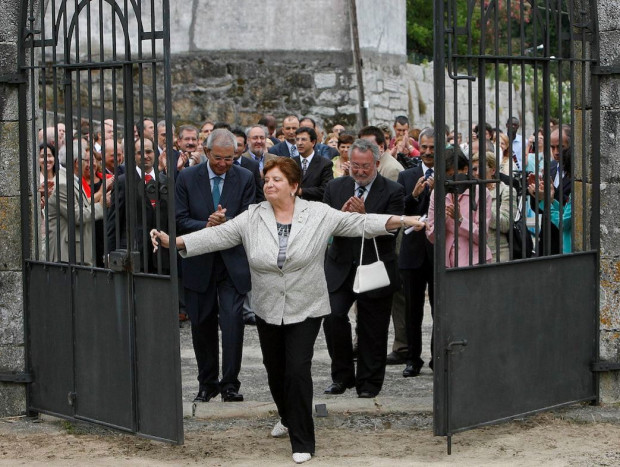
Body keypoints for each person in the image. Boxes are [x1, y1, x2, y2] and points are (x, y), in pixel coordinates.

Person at [151, 156, 425, 464]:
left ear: (294, 186)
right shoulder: (253, 216)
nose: (269, 184)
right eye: (266, 179)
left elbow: (360, 223)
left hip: (306, 305)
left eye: (277, 179)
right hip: (268, 307)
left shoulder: (318, 213)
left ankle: (303, 439)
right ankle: (285, 414)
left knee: (297, 370)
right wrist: (174, 241)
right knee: (275, 370)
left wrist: (404, 221)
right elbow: (217, 236)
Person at [176, 129, 256, 404]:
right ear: (207, 152)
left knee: (234, 324)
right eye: (218, 158)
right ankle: (207, 384)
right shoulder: (187, 177)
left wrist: (227, 222)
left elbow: (250, 217)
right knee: (201, 325)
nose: (223, 164)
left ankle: (230, 384)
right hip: (199, 262)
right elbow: (179, 219)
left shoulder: (245, 177)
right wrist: (206, 225)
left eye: (230, 159)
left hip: (232, 263)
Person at [322, 139, 405, 398]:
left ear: (377, 164)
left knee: (372, 328)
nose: (359, 171)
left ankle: (368, 383)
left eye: (365, 167)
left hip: (375, 266)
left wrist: (365, 216)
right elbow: (324, 225)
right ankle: (342, 375)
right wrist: (342, 215)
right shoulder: (335, 187)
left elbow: (392, 232)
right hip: (340, 266)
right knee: (333, 317)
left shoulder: (393, 190)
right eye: (354, 166)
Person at [397, 127, 436, 374]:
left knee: (439, 307)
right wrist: (414, 195)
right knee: (412, 309)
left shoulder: (447, 174)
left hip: (437, 251)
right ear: (418, 148)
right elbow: (400, 208)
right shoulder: (407, 176)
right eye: (425, 147)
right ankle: (413, 358)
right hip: (412, 250)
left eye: (433, 148)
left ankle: (437, 357)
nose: (428, 152)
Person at [106, 137, 167, 273]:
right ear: (133, 156)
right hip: (132, 255)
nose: (145, 156)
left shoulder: (166, 181)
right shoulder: (123, 182)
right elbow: (114, 221)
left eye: (149, 151)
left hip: (161, 257)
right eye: (140, 153)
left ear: (155, 154)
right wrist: (109, 253)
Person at [426, 147, 493, 268]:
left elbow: (482, 236)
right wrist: (443, 218)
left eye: (452, 176)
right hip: (446, 263)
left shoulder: (481, 193)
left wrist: (460, 219)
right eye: (446, 176)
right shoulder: (437, 193)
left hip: (474, 261)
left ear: (465, 169)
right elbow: (431, 236)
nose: (449, 181)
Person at [47, 139, 105, 265]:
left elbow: (81, 205)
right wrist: (101, 206)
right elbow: (76, 215)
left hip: (74, 253)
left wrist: (100, 197)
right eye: (85, 160)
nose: (87, 164)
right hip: (67, 255)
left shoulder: (70, 180)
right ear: (77, 163)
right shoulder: (63, 184)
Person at [471, 152, 517, 262]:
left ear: (493, 170)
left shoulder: (506, 191)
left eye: (481, 169)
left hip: (497, 253)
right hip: (471, 252)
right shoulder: (469, 191)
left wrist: (484, 206)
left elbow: (506, 224)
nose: (477, 173)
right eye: (474, 169)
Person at [292, 127, 333, 201]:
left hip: (316, 206)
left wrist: (301, 191)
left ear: (313, 142)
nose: (299, 143)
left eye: (303, 139)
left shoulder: (325, 164)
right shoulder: (291, 162)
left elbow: (326, 189)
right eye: (297, 139)